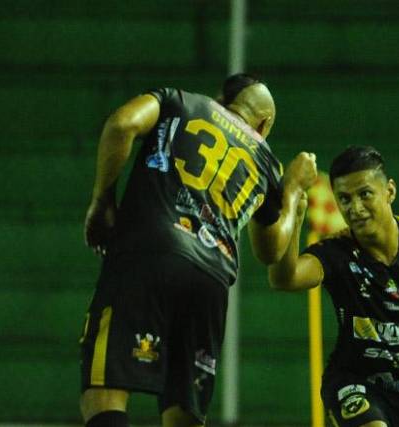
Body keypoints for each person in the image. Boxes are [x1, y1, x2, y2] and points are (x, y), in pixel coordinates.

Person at [78, 74, 318, 427]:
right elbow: (271, 251)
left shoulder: (180, 101)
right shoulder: (266, 161)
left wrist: (102, 203)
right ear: (264, 123)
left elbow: (122, 123)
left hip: (150, 253)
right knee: (183, 412)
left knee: (104, 390)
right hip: (211, 282)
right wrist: (294, 190)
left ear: (219, 100)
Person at [266, 146, 399, 427]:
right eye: (345, 199)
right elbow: (283, 278)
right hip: (356, 386)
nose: (355, 208)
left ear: (389, 191)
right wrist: (295, 212)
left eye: (365, 194)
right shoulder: (336, 253)